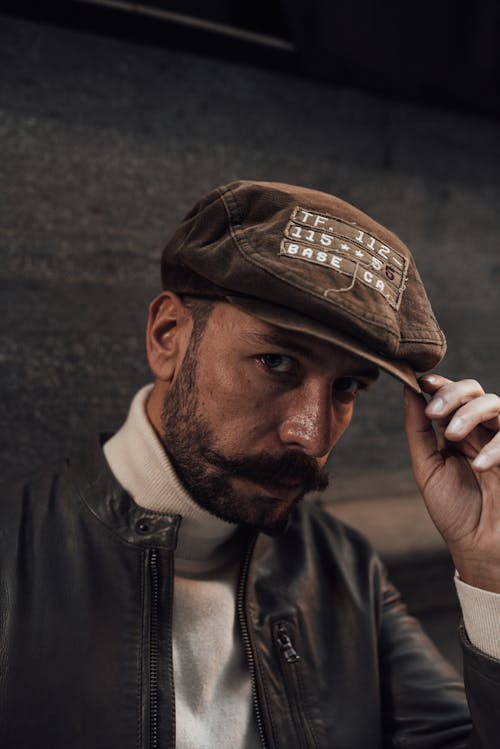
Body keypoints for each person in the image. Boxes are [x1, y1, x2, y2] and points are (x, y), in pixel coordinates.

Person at [1, 180, 499, 749]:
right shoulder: (13, 561)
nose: (310, 435)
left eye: (347, 387)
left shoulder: (342, 568)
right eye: (277, 361)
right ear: (168, 337)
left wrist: (490, 571)